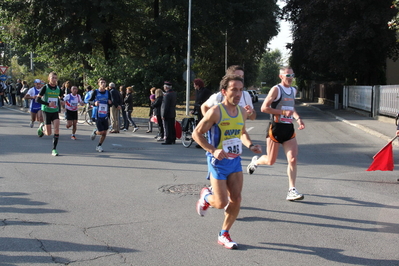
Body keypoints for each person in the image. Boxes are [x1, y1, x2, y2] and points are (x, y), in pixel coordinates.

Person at [193, 74, 262, 249]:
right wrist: (213, 150)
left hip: (235, 161)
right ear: (224, 91)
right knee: (221, 202)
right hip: (218, 162)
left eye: (240, 90)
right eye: (234, 90)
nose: (238, 94)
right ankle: (206, 196)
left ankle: (224, 233)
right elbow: (196, 134)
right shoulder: (216, 111)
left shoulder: (242, 112)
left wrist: (251, 146)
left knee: (237, 199)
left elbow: (242, 133)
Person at [246, 66, 305, 201]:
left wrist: (298, 118)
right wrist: (283, 113)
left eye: (292, 75)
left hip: (288, 129)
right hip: (275, 128)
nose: (290, 78)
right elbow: (264, 108)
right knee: (271, 161)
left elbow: (291, 107)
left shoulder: (293, 90)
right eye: (288, 75)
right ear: (281, 76)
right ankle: (256, 162)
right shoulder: (276, 89)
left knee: (293, 159)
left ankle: (292, 190)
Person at [36, 72, 63, 156]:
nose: (54, 80)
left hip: (55, 111)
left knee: (57, 129)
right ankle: (41, 127)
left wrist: (62, 101)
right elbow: (37, 99)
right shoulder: (45, 87)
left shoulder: (58, 88)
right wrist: (47, 104)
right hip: (46, 111)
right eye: (53, 78)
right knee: (48, 133)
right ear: (49, 78)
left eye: (56, 78)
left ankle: (54, 149)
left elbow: (61, 97)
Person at [89, 77, 112, 152]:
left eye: (104, 83)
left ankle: (99, 146)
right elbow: (89, 101)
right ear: (98, 84)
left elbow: (111, 103)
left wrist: (110, 103)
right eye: (101, 82)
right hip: (97, 114)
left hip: (105, 114)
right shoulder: (95, 92)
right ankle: (95, 132)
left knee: (105, 132)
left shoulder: (108, 92)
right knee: (101, 132)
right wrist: (94, 103)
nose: (103, 84)